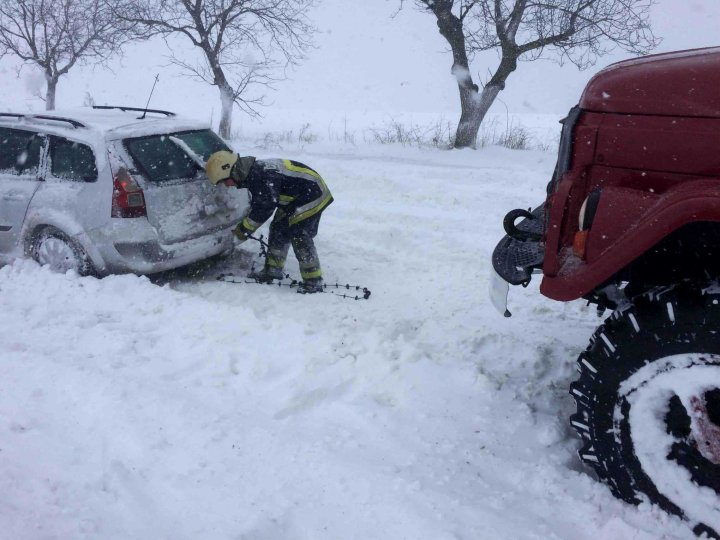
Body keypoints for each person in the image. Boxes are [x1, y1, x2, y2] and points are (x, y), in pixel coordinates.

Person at [205, 151, 333, 294]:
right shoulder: (251, 173)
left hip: (313, 194)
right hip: (296, 197)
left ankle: (313, 281)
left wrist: (243, 231)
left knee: (299, 234)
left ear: (230, 171)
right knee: (278, 228)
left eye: (224, 181)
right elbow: (262, 203)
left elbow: (263, 209)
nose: (227, 186)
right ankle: (273, 271)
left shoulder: (259, 177)